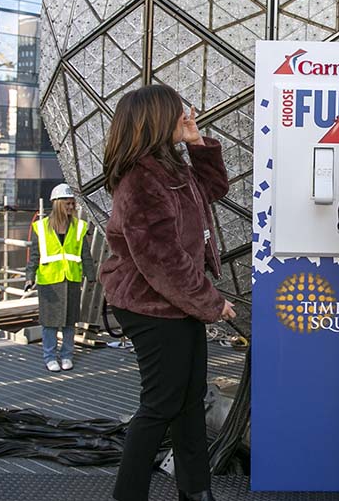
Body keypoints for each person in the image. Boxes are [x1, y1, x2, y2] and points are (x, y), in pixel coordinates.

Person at [99, 84, 234, 501]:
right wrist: (212, 302)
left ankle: (196, 491)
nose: (187, 115)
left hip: (175, 303)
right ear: (157, 118)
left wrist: (197, 143)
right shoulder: (141, 178)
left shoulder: (169, 167)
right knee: (161, 405)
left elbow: (213, 188)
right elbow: (162, 259)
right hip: (152, 305)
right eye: (179, 112)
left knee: (189, 402)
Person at [29, 183, 95, 372]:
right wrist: (29, 277)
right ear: (58, 204)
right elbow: (35, 255)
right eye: (68, 204)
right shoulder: (41, 228)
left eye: (72, 204)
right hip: (49, 283)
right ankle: (50, 357)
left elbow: (85, 254)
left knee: (69, 321)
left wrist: (91, 276)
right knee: (49, 323)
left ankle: (66, 355)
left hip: (71, 280)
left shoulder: (78, 227)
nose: (71, 207)